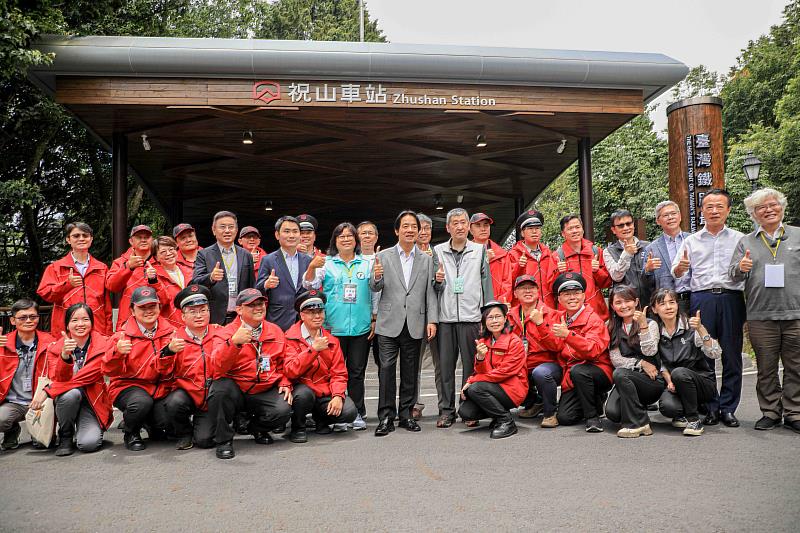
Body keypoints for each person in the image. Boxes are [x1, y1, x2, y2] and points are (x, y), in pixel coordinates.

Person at [671, 188, 745, 427]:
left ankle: (728, 408)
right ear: (701, 210)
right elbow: (677, 272)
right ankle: (711, 406)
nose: (714, 211)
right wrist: (681, 268)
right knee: (704, 354)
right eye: (709, 207)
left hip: (731, 297)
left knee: (732, 354)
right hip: (702, 298)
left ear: (728, 210)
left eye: (719, 206)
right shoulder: (690, 241)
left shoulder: (739, 239)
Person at [729, 187, 800, 433]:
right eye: (762, 208)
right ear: (754, 214)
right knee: (766, 368)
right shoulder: (746, 241)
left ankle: (794, 412)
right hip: (760, 315)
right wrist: (741, 267)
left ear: (782, 207)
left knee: (796, 367)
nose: (769, 210)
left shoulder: (797, 236)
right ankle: (770, 411)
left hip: (795, 314)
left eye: (773, 205)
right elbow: (732, 275)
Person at [369, 210, 438, 436]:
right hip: (389, 323)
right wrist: (377, 276)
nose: (410, 230)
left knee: (410, 372)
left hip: (415, 322)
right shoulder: (385, 256)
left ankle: (406, 415)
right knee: (386, 370)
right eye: (405, 226)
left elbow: (430, 293)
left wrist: (432, 320)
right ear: (397, 230)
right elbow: (375, 287)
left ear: (418, 232)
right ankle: (386, 417)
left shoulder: (426, 260)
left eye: (414, 227)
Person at [207, 288, 292, 459]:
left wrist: (285, 382)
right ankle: (224, 441)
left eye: (260, 303)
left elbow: (284, 363)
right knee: (219, 390)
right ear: (239, 309)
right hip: (236, 389)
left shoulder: (275, 330)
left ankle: (256, 429)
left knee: (283, 408)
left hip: (262, 388)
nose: (258, 308)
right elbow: (215, 367)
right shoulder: (226, 332)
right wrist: (233, 344)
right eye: (251, 305)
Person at [303, 222, 373, 430]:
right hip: (334, 327)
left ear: (356, 240)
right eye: (340, 236)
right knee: (334, 372)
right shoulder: (327, 263)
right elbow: (310, 285)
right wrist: (311, 267)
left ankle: (358, 412)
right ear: (335, 241)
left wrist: (374, 319)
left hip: (360, 327)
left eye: (349, 236)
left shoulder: (366, 263)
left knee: (357, 372)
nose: (345, 239)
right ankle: (338, 415)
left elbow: (375, 292)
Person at [432, 208, 493, 428]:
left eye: (463, 222)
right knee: (445, 368)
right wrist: (437, 281)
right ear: (447, 227)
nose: (459, 226)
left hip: (472, 318)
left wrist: (487, 317)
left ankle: (469, 409)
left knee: (472, 367)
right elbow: (432, 287)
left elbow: (487, 285)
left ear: (469, 226)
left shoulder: (479, 250)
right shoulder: (437, 251)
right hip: (445, 319)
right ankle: (446, 410)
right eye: (454, 223)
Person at [101, 286, 181, 451]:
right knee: (141, 403)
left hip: (160, 389)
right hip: (129, 387)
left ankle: (150, 423)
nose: (148, 311)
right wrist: (117, 353)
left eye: (152, 306)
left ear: (159, 306)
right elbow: (108, 370)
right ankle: (131, 432)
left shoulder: (173, 333)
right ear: (132, 309)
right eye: (142, 307)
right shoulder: (121, 336)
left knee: (166, 425)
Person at [31, 303, 112, 456]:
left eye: (85, 319)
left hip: (92, 402)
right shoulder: (54, 348)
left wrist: (48, 391)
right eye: (74, 320)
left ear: (92, 323)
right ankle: (66, 435)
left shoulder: (104, 344)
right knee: (71, 393)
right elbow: (59, 379)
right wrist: (64, 356)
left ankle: (85, 428)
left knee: (88, 444)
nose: (80, 324)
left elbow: (90, 375)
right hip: (66, 401)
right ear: (67, 325)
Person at [284, 290, 357, 443]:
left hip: (324, 392)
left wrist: (337, 395)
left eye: (320, 311)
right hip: (302, 390)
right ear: (302, 315)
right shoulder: (290, 337)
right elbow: (290, 371)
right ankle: (298, 427)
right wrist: (313, 350)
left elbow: (339, 373)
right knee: (303, 394)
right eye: (311, 312)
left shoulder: (332, 340)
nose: (317, 316)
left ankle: (321, 419)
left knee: (349, 411)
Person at [545, 273, 612, 432]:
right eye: (566, 294)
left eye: (576, 293)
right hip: (573, 373)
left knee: (579, 371)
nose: (572, 297)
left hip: (597, 370)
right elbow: (555, 347)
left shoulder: (593, 319)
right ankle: (593, 399)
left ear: (584, 295)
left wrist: (568, 335)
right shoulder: (560, 318)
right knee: (565, 418)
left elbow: (593, 351)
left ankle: (592, 417)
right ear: (559, 299)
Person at [651, 288, 722, 436]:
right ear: (654, 309)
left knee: (679, 372)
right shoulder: (657, 331)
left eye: (672, 302)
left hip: (702, 382)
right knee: (667, 408)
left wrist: (701, 329)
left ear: (678, 305)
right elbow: (661, 363)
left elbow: (715, 353)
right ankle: (684, 410)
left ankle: (694, 420)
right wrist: (669, 381)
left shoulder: (691, 327)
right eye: (663, 304)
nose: (669, 307)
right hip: (676, 383)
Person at [161, 285, 224, 450]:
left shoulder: (222, 333)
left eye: (203, 310)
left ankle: (212, 423)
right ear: (183, 316)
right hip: (188, 394)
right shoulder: (174, 338)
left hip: (212, 397)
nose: (199, 315)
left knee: (204, 441)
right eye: (192, 311)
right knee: (174, 402)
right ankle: (184, 432)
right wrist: (167, 352)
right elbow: (161, 371)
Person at [458, 301, 527, 439]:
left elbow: (504, 372)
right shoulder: (483, 342)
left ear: (505, 319)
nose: (494, 321)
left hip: (513, 389)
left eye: (498, 316)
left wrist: (472, 381)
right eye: (490, 317)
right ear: (484, 322)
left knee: (475, 388)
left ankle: (506, 421)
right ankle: (498, 415)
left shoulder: (514, 341)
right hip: (494, 387)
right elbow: (481, 371)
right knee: (466, 412)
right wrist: (480, 357)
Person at [604, 286, 664, 438]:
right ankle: (638, 410)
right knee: (613, 413)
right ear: (612, 306)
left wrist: (643, 326)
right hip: (628, 378)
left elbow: (650, 351)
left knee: (620, 374)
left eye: (628, 301)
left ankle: (638, 423)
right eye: (618, 302)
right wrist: (641, 363)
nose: (624, 306)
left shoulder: (651, 324)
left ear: (636, 301)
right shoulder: (611, 326)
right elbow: (616, 360)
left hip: (651, 380)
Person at [37, 222, 112, 336]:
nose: (81, 239)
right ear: (68, 239)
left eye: (85, 235)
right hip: (66, 330)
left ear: (91, 239)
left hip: (97, 330)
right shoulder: (56, 267)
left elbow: (106, 305)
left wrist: (108, 334)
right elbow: (45, 293)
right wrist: (67, 285)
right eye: (76, 236)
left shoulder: (102, 268)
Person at [507, 275, 561, 427]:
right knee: (506, 375)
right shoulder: (508, 316)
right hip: (521, 364)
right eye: (523, 288)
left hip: (547, 364)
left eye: (531, 287)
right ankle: (535, 402)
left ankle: (550, 413)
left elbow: (557, 346)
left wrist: (541, 324)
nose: (528, 291)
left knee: (541, 373)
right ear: (515, 293)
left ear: (538, 291)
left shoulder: (552, 314)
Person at [0, 299, 53, 450]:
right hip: (13, 403)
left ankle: (38, 431)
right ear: (12, 320)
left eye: (33, 317)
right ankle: (11, 430)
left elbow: (58, 375)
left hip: (41, 400)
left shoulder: (50, 341)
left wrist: (45, 394)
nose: (28, 321)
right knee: (1, 419)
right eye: (23, 318)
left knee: (42, 444)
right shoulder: (3, 343)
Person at [192, 211, 255, 326]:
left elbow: (251, 286)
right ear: (214, 230)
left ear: (236, 230)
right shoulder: (204, 254)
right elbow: (195, 284)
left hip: (241, 318)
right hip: (215, 318)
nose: (227, 230)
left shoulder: (246, 255)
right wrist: (211, 277)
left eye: (231, 227)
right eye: (222, 227)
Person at [257, 216, 312, 331]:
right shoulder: (268, 260)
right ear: (277, 235)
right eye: (286, 231)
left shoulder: (308, 260)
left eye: (295, 231)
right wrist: (266, 284)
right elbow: (257, 290)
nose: (291, 235)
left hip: (304, 320)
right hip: (278, 319)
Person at [554, 215, 612, 320]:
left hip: (596, 314)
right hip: (569, 315)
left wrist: (597, 271)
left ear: (583, 229)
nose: (575, 231)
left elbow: (607, 283)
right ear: (563, 234)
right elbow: (551, 289)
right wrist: (558, 273)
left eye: (577, 227)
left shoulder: (596, 252)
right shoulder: (557, 256)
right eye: (570, 228)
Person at [412, 213, 441, 419]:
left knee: (442, 364)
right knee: (414, 364)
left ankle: (444, 405)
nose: (423, 232)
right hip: (415, 316)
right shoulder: (409, 255)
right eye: (420, 228)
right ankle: (414, 403)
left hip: (439, 315)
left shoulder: (438, 253)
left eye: (427, 229)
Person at [642, 201, 691, 315]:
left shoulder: (693, 240)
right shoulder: (652, 248)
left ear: (680, 216)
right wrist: (648, 270)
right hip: (668, 303)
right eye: (665, 215)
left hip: (695, 297)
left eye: (673, 213)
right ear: (658, 221)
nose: (670, 218)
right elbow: (646, 284)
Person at [507, 210, 559, 308]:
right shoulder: (512, 255)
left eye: (537, 228)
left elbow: (554, 285)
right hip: (525, 309)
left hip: (548, 308)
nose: (534, 231)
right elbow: (508, 284)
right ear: (522, 233)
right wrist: (519, 266)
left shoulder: (550, 255)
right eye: (530, 228)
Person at [105, 224, 155, 328]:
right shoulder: (120, 262)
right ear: (131, 241)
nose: (143, 240)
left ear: (152, 240)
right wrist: (128, 267)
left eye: (147, 237)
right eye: (139, 237)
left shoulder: (161, 260)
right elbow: (111, 286)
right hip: (128, 319)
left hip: (156, 318)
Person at [603, 209, 654, 306]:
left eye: (628, 224)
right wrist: (626, 254)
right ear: (613, 230)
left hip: (650, 302)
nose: (626, 228)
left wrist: (649, 270)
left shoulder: (648, 246)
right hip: (625, 304)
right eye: (621, 225)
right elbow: (616, 276)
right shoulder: (608, 251)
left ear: (633, 225)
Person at [149, 236, 193, 328]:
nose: (168, 254)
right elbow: (163, 302)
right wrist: (153, 281)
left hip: (193, 323)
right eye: (163, 252)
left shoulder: (190, 271)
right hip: (170, 327)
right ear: (156, 257)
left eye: (171, 249)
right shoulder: (153, 277)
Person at [469, 212, 512, 302]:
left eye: (486, 225)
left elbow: (507, 283)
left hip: (496, 308)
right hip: (472, 306)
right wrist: (482, 260)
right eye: (478, 225)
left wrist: (499, 305)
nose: (483, 229)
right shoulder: (464, 254)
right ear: (470, 230)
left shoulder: (502, 254)